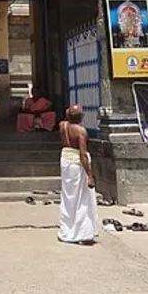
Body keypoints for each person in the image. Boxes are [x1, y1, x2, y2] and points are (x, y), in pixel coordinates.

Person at [58, 105, 97, 245]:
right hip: (77, 165)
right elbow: (82, 154)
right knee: (82, 199)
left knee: (69, 197)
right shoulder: (81, 131)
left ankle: (67, 229)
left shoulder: (62, 125)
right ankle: (81, 233)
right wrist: (90, 175)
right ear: (81, 117)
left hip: (66, 162)